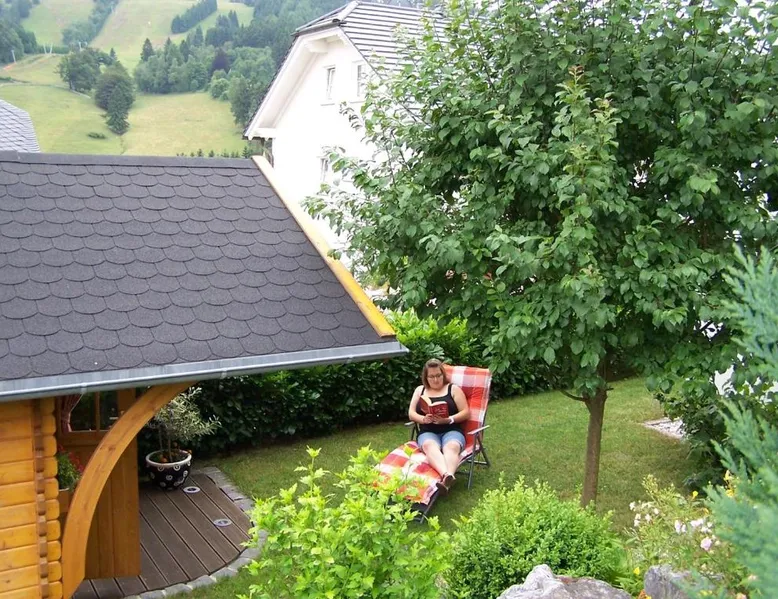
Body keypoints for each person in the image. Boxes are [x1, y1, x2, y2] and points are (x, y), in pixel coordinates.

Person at [408, 359, 470, 492]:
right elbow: (411, 413)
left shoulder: (453, 389)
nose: (435, 380)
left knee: (452, 446)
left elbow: (465, 412)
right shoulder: (420, 390)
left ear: (443, 375)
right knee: (429, 446)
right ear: (425, 377)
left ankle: (446, 479)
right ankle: (447, 476)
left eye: (438, 375)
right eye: (431, 376)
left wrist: (448, 420)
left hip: (451, 430)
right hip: (428, 432)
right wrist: (423, 419)